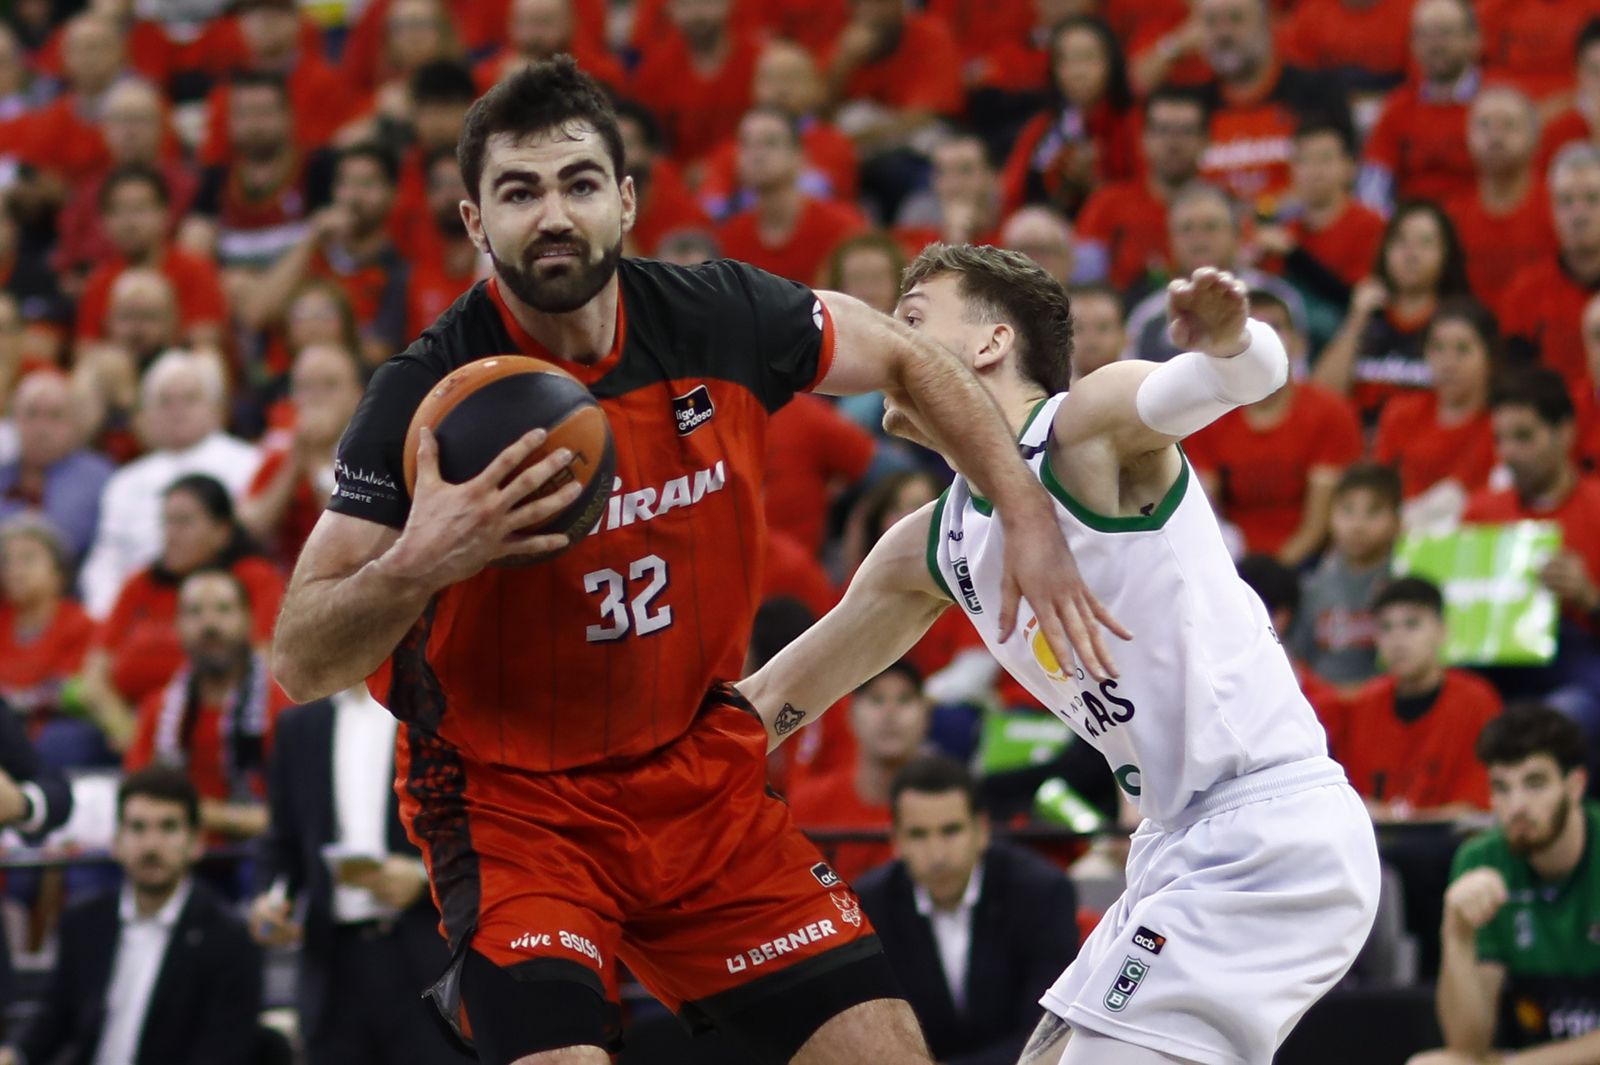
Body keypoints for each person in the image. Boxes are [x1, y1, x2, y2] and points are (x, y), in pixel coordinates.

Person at [272, 58, 1118, 1065]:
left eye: (579, 184)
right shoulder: (426, 398)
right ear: (472, 222)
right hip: (513, 805)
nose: (553, 214)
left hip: (695, 780)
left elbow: (904, 354)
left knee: (886, 1052)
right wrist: (421, 558)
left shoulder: (717, 315)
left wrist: (1023, 513)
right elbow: (299, 658)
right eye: (519, 191)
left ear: (624, 201)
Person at [740, 246, 1380, 1065]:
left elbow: (1242, 379)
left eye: (911, 316)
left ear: (990, 342)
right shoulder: (934, 544)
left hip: (1268, 833)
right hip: (1179, 845)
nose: (886, 336)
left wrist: (1233, 338)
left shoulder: (1081, 431)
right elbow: (771, 700)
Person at [250, 684, 472, 1065]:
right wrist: (269, 900)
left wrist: (422, 879)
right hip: (333, 961)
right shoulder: (299, 725)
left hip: (424, 952)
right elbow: (281, 842)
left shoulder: (434, 714)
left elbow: (475, 829)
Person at [0, 766, 262, 1065]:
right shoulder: (85, 921)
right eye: (137, 828)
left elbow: (222, 1053)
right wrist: (14, 1055)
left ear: (196, 842)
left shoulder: (229, 940)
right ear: (116, 842)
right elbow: (53, 1020)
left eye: (168, 828)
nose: (151, 845)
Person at [855, 756, 1082, 1065]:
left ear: (982, 830)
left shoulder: (1042, 892)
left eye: (950, 831)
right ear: (896, 841)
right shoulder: (869, 905)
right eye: (918, 835)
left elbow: (1046, 1034)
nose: (937, 855)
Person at [1408, 705, 1600, 1064]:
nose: (1516, 807)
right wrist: (1456, 931)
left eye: (1535, 783)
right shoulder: (1481, 859)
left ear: (1575, 786)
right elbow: (1468, 1042)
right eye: (1501, 787)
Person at [80, 475, 285, 753]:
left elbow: (266, 668)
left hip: (224, 726)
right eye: (166, 522)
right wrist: (132, 734)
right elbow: (93, 678)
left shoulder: (254, 578)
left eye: (184, 522)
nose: (171, 534)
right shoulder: (140, 584)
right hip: (131, 731)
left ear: (222, 531)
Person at [1463, 367, 1600, 735]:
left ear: (1565, 432)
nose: (1509, 453)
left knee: (1569, 714)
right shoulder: (1480, 512)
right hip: (1492, 663)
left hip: (1576, 663)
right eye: (1501, 439)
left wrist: (1589, 598)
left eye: (1524, 437)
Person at [1184, 290, 1362, 565]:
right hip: (1228, 560)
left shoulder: (1330, 412)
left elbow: (1317, 527)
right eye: (1248, 329)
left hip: (1307, 563)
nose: (1259, 341)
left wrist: (1270, 576)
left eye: (1274, 328)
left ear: (1300, 344)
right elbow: (1204, 513)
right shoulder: (1207, 415)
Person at [78, 351, 261, 618]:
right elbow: (107, 557)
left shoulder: (249, 463)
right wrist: (106, 615)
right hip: (140, 609)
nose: (177, 410)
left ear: (217, 408)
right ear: (146, 415)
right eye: (165, 401)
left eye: (190, 399)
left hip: (219, 602)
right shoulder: (124, 481)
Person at [124, 568, 288, 842]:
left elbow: (296, 815)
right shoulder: (158, 709)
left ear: (248, 620)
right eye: (195, 612)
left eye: (223, 609)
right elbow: (138, 799)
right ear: (176, 625)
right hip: (178, 855)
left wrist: (209, 816)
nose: (209, 624)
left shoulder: (283, 708)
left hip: (261, 853)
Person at [1322, 577, 1500, 823]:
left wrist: (1395, 817)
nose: (1397, 639)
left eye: (1412, 624)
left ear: (1442, 631)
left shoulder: (1476, 701)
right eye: (1385, 628)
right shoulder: (1363, 704)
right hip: (1377, 847)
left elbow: (1474, 812)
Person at [1312, 200, 1472, 424]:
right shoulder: (1365, 316)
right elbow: (1320, 398)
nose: (1411, 253)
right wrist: (1356, 321)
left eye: (1425, 243)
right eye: (1401, 241)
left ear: (1447, 254)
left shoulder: (1461, 323)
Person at [1192, 0, 1352, 214]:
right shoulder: (1189, 106)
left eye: (1235, 19)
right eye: (1211, 22)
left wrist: (1261, 211)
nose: (1223, 34)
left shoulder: (1318, 93)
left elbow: (1338, 180)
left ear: (1267, 24)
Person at [1123, 183, 1305, 363]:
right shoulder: (1146, 318)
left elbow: (1297, 375)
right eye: (1186, 229)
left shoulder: (1276, 297)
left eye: (1210, 226)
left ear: (1237, 234)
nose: (1198, 239)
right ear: (1170, 241)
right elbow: (1133, 386)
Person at [788, 660, 931, 883]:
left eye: (905, 699)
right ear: (850, 715)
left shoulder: (947, 806)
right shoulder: (806, 805)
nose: (890, 713)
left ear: (926, 716)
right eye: (876, 699)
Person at [1371, 297, 1498, 518]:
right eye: (1437, 348)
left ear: (1489, 357)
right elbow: (1378, 490)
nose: (1448, 363)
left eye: (1462, 349)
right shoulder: (1400, 412)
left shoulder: (1500, 423)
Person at [999, 17, 1136, 219]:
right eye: (1065, 61)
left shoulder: (1132, 122)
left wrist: (1093, 182)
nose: (1076, 72)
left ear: (1112, 62)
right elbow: (1012, 196)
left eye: (1087, 58)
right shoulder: (1041, 126)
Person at [241, 343, 366, 564]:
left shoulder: (372, 454)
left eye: (330, 385)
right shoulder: (280, 451)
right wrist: (295, 462)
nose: (316, 397)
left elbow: (349, 536)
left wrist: (317, 462)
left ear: (357, 394)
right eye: (305, 386)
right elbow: (249, 530)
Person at [1075, 87, 1210, 291]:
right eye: (1163, 130)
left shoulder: (1223, 207)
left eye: (1186, 131)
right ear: (1144, 139)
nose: (1173, 143)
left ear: (1205, 141)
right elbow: (1084, 282)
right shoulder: (1107, 205)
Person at [717, 106, 867, 285]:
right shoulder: (729, 238)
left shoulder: (843, 228)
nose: (756, 154)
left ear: (800, 156)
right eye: (746, 144)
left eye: (770, 142)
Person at [1358, 0, 1481, 214]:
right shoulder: (1396, 109)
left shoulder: (1496, 105)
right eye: (1424, 35)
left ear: (1473, 39)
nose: (1435, 45)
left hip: (1477, 227)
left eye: (1446, 33)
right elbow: (1373, 190)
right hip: (1414, 229)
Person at [1446, 86, 1556, 320]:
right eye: (1484, 125)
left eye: (1509, 125)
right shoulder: (1452, 215)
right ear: (1467, 137)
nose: (1495, 137)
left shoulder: (1559, 208)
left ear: (1537, 139)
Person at [1289, 463, 1399, 691]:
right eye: (1347, 510)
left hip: (1379, 702)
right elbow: (1297, 657)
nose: (1358, 525)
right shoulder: (1312, 587)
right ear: (1330, 517)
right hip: (1322, 704)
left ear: (1397, 521)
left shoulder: (1402, 582)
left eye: (1374, 511)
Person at [0, 517, 98, 766]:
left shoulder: (82, 624)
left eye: (28, 559)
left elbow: (66, 692)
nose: (14, 569)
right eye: (7, 561)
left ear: (59, 572)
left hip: (52, 734)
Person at [1502, 143, 1600, 391]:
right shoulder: (1525, 290)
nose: (1579, 214)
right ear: (1551, 211)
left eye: (1592, 199)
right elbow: (1516, 382)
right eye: (1565, 201)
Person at [0, 370, 114, 561]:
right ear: (13, 420)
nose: (41, 428)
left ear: (74, 424)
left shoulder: (99, 478)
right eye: (31, 414)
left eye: (55, 416)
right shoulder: (4, 471)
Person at [1065, 286, 1124, 382]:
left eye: (1102, 327)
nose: (1091, 339)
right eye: (1079, 328)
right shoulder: (1048, 393)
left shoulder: (1145, 389)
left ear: (1123, 335)